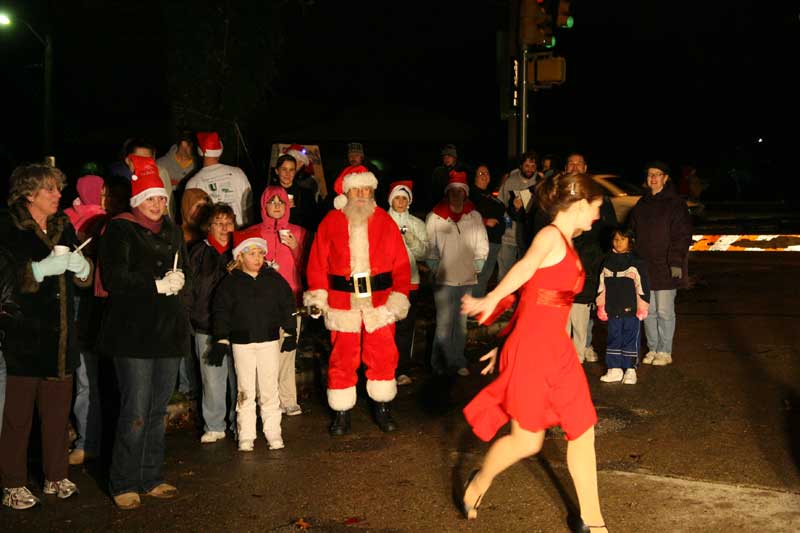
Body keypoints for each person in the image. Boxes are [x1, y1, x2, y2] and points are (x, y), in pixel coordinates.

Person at [460, 172, 608, 532]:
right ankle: (479, 482)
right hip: (534, 351)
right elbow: (523, 270)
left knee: (583, 428)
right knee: (527, 441)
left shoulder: (568, 242)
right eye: (596, 208)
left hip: (555, 348)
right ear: (579, 204)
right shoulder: (549, 236)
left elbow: (533, 299)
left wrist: (504, 342)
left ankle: (593, 521)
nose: (598, 216)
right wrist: (490, 298)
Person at [96, 155, 191, 510]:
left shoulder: (173, 230)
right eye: (151, 198)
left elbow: (183, 274)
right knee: (134, 409)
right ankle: (123, 480)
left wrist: (181, 283)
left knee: (156, 410)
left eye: (161, 198)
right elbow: (114, 277)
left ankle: (150, 475)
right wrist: (154, 285)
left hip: (167, 333)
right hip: (132, 334)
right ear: (137, 201)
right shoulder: (120, 228)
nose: (158, 204)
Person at [0, 164, 92, 510]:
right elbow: (4, 280)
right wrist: (35, 271)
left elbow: (81, 272)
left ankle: (56, 475)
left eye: (58, 188)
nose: (59, 195)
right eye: (50, 190)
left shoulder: (62, 225)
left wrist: (84, 269)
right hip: (23, 340)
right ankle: (13, 483)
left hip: (61, 339)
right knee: (17, 419)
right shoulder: (8, 228)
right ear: (29, 193)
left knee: (56, 415)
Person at [304, 165, 411, 436]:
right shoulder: (330, 221)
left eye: (367, 189)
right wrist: (318, 294)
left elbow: (401, 263)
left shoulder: (385, 221)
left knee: (384, 355)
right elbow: (317, 262)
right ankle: (341, 413)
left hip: (380, 302)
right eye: (357, 189)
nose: (362, 194)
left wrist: (400, 296)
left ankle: (383, 407)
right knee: (342, 357)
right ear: (346, 191)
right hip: (343, 302)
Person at [210, 227, 296, 452]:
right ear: (239, 256)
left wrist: (289, 331)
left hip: (268, 341)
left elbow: (287, 305)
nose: (257, 258)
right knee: (245, 390)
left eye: (260, 253)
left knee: (269, 389)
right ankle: (246, 434)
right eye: (251, 253)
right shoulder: (230, 283)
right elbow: (221, 311)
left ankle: (273, 432)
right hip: (242, 344)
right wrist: (220, 339)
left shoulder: (274, 280)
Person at [426, 170, 489, 376]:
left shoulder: (474, 216)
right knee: (444, 323)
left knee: (460, 324)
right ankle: (439, 362)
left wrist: (477, 265)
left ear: (465, 193)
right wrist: (435, 267)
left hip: (466, 278)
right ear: (448, 193)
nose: (456, 194)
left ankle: (457, 360)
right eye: (452, 191)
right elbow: (430, 245)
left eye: (460, 191)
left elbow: (482, 244)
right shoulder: (435, 217)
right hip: (444, 279)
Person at [629, 161, 692, 367]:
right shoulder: (641, 204)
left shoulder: (676, 204)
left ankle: (665, 351)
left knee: (665, 312)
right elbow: (633, 234)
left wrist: (675, 261)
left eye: (657, 174)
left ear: (665, 178)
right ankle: (654, 348)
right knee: (648, 311)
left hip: (666, 266)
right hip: (646, 266)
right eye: (650, 175)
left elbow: (682, 236)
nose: (653, 178)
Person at [64, 174, 107, 466]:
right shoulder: (67, 221)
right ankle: (88, 440)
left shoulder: (108, 220)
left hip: (97, 301)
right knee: (86, 377)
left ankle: (93, 439)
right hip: (81, 301)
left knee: (89, 377)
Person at [187, 203, 237, 443]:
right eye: (219, 223)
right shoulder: (198, 251)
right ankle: (215, 424)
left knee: (239, 378)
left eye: (229, 222)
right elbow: (195, 288)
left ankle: (239, 422)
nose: (224, 228)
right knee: (212, 378)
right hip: (206, 324)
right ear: (209, 226)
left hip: (238, 326)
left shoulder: (241, 249)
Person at [259, 185, 307, 416]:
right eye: (272, 202)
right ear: (264, 205)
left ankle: (288, 398)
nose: (277, 206)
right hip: (263, 302)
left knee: (288, 350)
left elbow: (308, 266)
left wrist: (296, 249)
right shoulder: (255, 233)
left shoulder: (299, 232)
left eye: (281, 202)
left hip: (292, 300)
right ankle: (268, 400)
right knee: (266, 352)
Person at [386, 180, 428, 385]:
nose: (400, 201)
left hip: (410, 281)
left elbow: (424, 253)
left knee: (405, 328)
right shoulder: (381, 220)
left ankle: (401, 369)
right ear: (390, 199)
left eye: (404, 198)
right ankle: (384, 368)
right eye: (397, 197)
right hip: (386, 283)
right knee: (385, 327)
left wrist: (409, 237)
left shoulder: (417, 224)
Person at [596, 227, 650, 384]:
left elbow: (643, 287)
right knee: (613, 338)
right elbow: (601, 287)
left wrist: (642, 307)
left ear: (630, 241)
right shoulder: (607, 262)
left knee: (630, 339)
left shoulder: (637, 263)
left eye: (623, 239)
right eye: (616, 239)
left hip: (631, 310)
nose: (618, 243)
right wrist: (601, 306)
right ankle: (614, 369)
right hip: (613, 309)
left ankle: (630, 370)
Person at [184, 131, 253, 227]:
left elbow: (191, 222)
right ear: (220, 149)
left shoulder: (193, 183)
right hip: (241, 236)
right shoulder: (238, 173)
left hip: (210, 239)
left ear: (200, 151)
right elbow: (248, 207)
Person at [497, 151, 539, 279]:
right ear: (520, 166)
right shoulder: (510, 181)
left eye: (533, 166)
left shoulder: (540, 183)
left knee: (525, 276)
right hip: (509, 237)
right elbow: (500, 205)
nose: (530, 169)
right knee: (505, 274)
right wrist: (511, 209)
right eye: (527, 166)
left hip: (528, 239)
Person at [470, 165, 505, 298]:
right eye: (481, 173)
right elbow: (465, 216)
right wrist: (484, 221)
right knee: (475, 276)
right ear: (474, 178)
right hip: (479, 242)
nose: (485, 175)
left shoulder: (492, 196)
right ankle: (468, 310)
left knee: (484, 277)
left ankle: (476, 307)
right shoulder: (471, 194)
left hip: (495, 242)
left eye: (487, 173)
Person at [271, 153, 320, 232]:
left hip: (299, 237)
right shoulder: (269, 194)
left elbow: (313, 222)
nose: (287, 174)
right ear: (277, 171)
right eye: (284, 169)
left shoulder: (306, 194)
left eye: (291, 170)